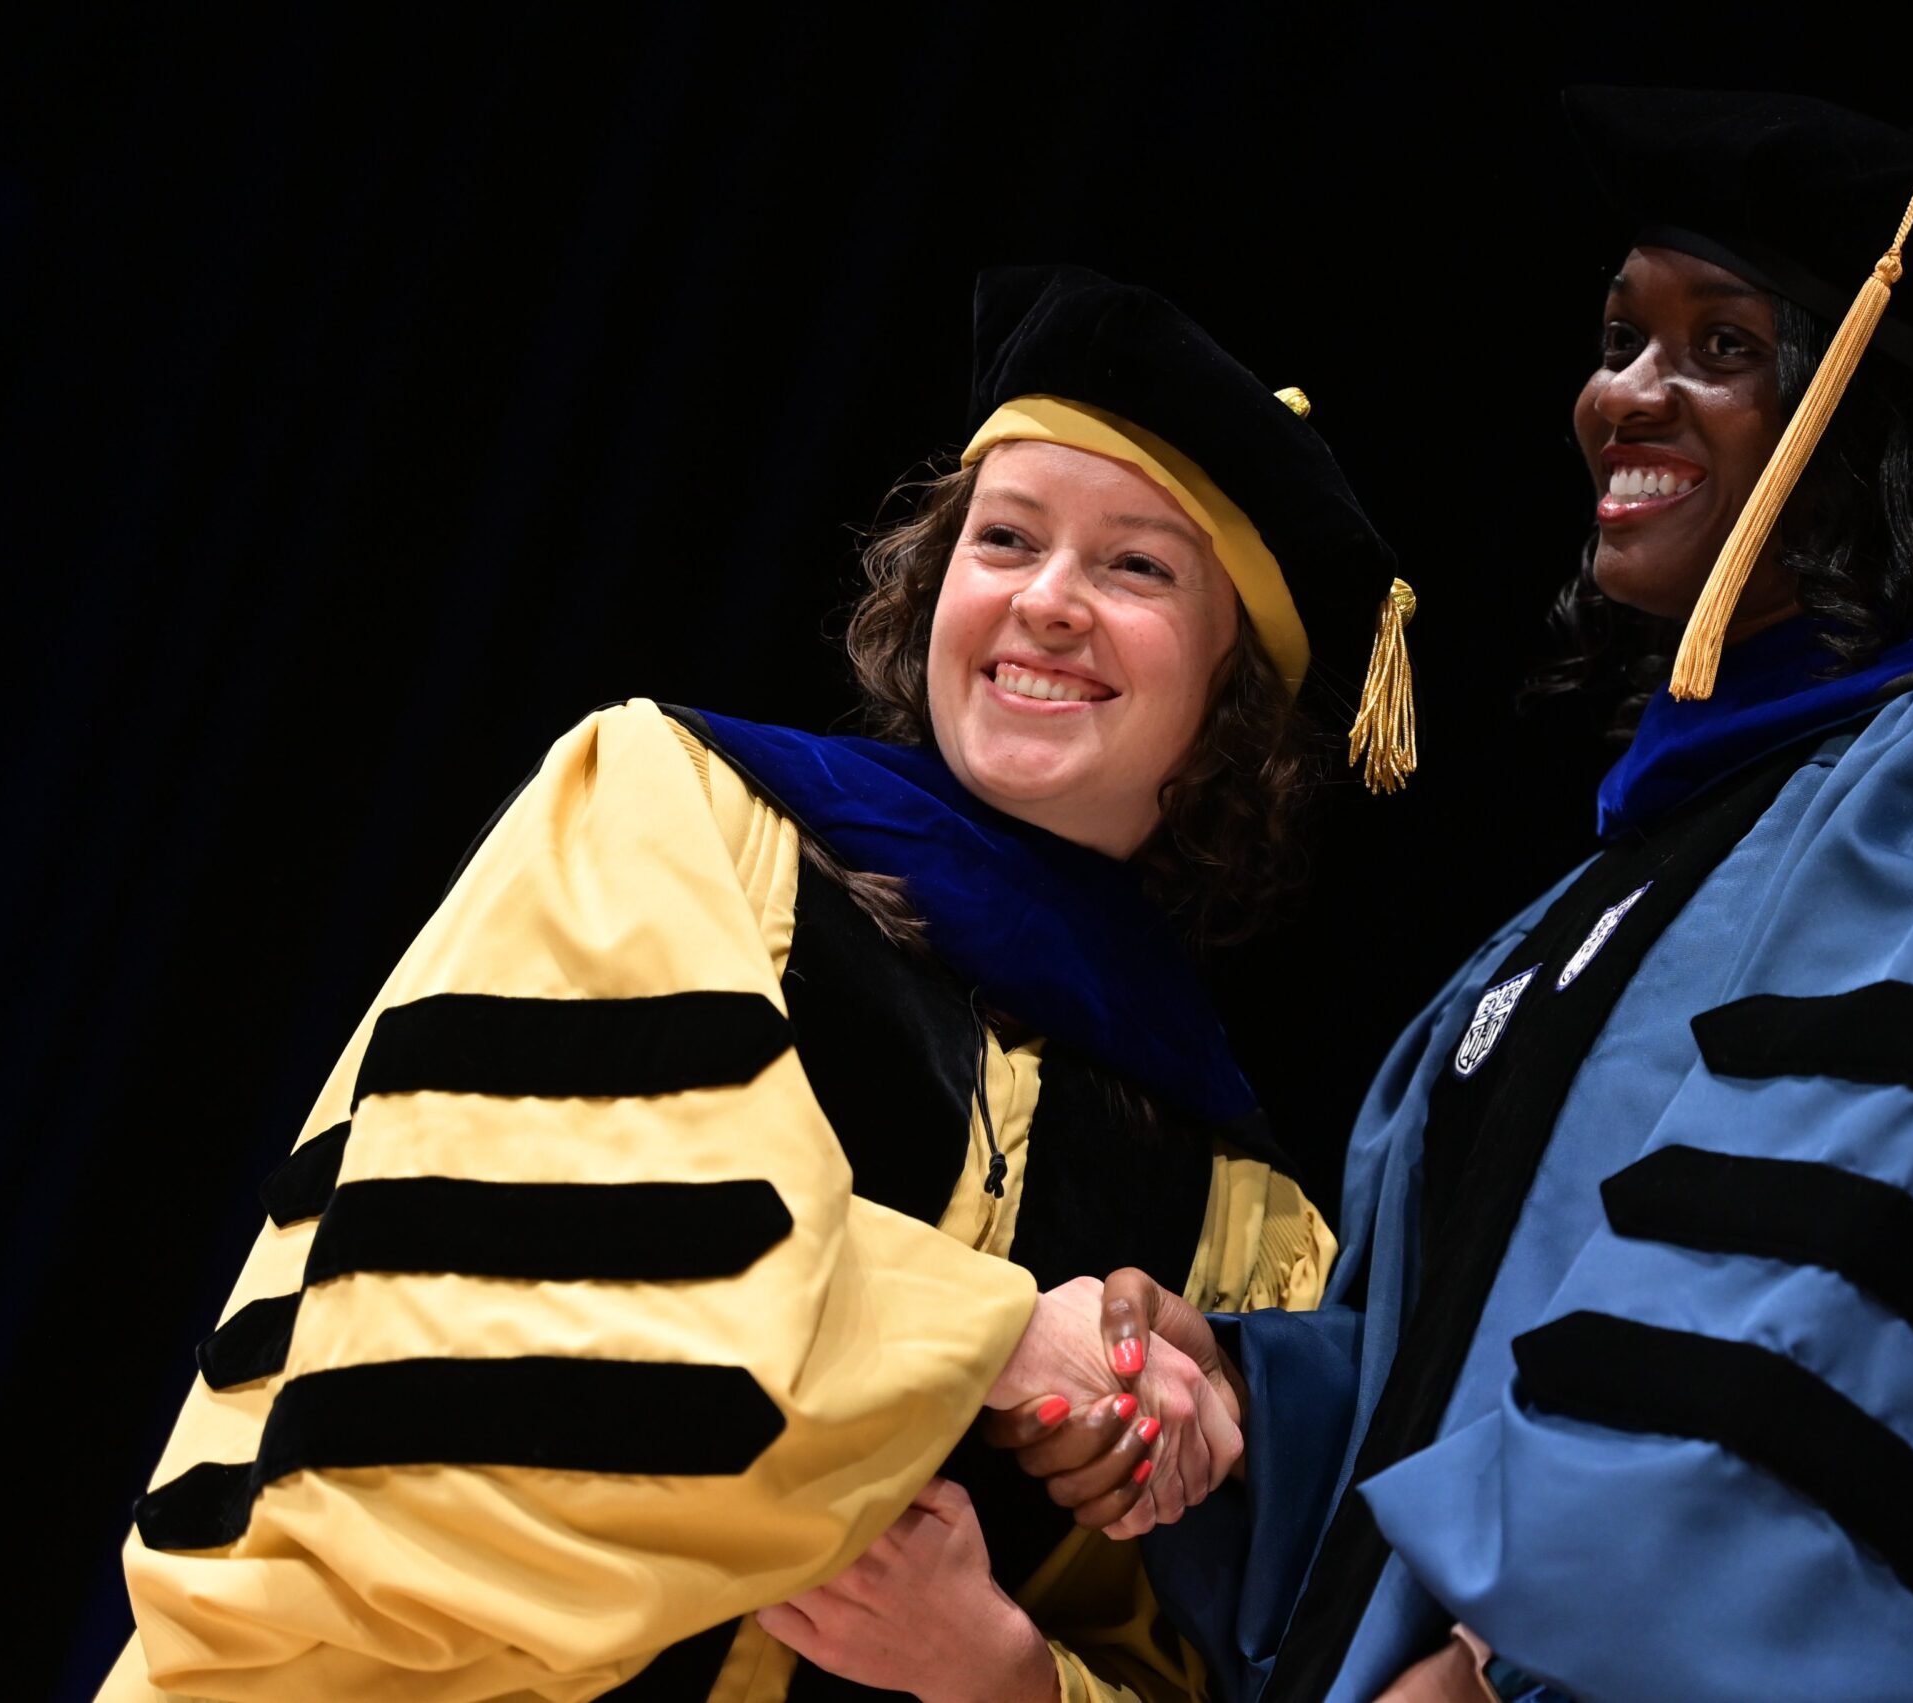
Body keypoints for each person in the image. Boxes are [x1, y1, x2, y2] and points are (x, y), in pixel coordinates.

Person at [1078, 89, 1913, 1702]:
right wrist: (1238, 1397)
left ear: (1871, 418)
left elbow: (1829, 1319)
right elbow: (1468, 1367)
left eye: (1722, 348)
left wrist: (1507, 1668)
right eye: (1623, 336)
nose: (1627, 394)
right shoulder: (1600, 902)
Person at [98, 264, 1417, 1703]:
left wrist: (1004, 1673)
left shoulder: (1236, 1213)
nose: (1046, 602)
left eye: (1136, 567)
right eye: (1006, 539)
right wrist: (994, 1340)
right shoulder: (672, 817)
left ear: (1231, 698)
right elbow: (527, 1286)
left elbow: (1190, 1669)